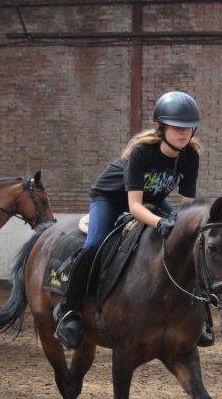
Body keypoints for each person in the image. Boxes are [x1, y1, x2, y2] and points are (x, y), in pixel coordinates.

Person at [54, 90, 206, 351]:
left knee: (189, 243)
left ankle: (198, 317)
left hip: (152, 199)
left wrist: (185, 227)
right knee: (94, 245)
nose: (184, 132)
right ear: (161, 127)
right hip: (111, 198)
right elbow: (134, 207)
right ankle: (68, 309)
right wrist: (160, 223)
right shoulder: (141, 153)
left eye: (188, 127)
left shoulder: (190, 155)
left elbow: (187, 205)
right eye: (177, 127)